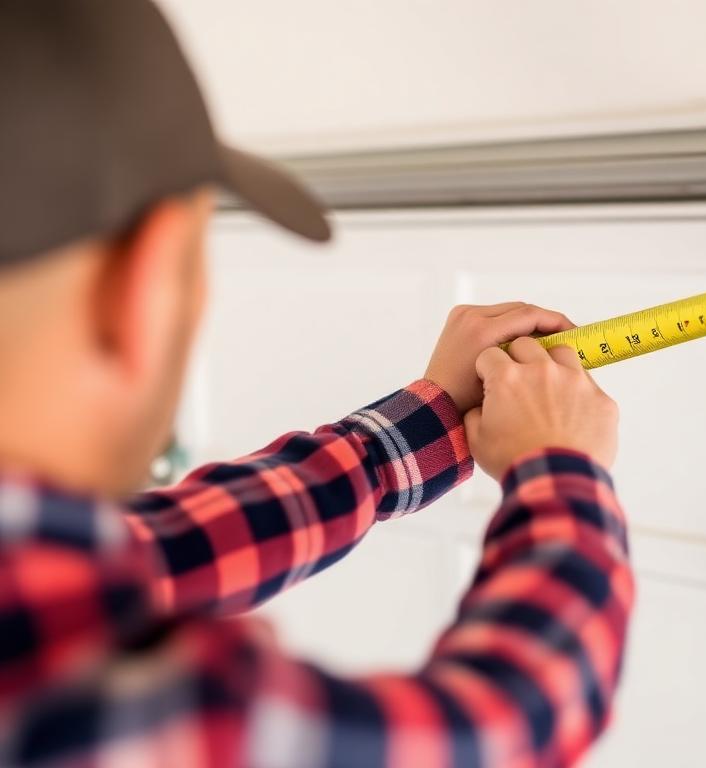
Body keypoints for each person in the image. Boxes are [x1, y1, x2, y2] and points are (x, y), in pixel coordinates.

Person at [0, 1, 634, 766]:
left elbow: (163, 552)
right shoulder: (124, 711)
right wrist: (560, 472)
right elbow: (500, 725)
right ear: (146, 287)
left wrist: (420, 428)